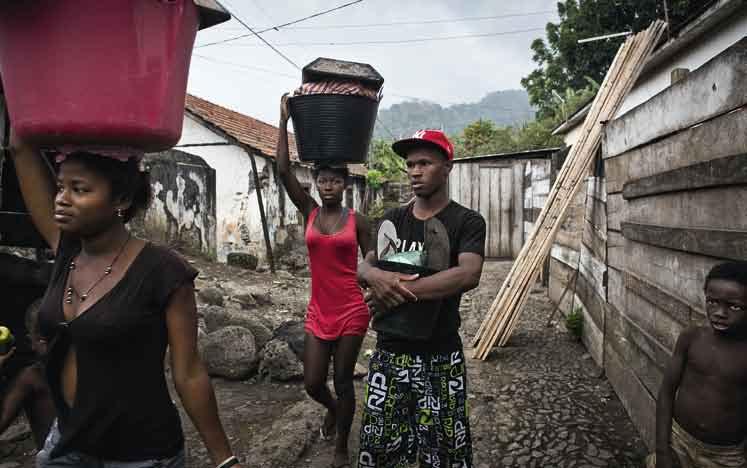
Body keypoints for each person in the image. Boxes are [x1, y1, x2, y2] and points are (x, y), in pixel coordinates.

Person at [7, 135, 241, 468]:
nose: (61, 199)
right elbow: (20, 148)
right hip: (68, 445)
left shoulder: (163, 270)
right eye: (60, 187)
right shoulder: (68, 252)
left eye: (80, 189)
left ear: (122, 198)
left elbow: (188, 373)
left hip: (142, 455)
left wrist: (224, 458)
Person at [357, 129, 486, 467]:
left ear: (447, 167)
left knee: (444, 454)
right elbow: (366, 265)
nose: (415, 171)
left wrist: (395, 289)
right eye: (410, 164)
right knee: (381, 452)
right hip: (389, 353)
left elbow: (467, 274)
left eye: (425, 163)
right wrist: (374, 277)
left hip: (440, 356)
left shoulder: (467, 221)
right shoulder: (392, 219)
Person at [277, 93, 371, 468]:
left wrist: (378, 287)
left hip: (351, 309)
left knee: (344, 380)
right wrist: (283, 120)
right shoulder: (309, 212)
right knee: (313, 383)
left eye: (334, 180)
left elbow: (373, 263)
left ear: (345, 184)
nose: (327, 185)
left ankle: (341, 448)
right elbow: (284, 170)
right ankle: (331, 409)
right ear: (315, 183)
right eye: (322, 180)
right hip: (319, 311)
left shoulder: (358, 221)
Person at [650, 261, 747, 468]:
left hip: (725, 456)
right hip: (678, 440)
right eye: (712, 302)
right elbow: (667, 392)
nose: (720, 312)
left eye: (735, 306)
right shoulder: (691, 338)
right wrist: (662, 450)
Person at [0, 299, 55, 449]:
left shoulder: (90, 367)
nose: (53, 345)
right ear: (31, 342)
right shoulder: (33, 378)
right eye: (43, 340)